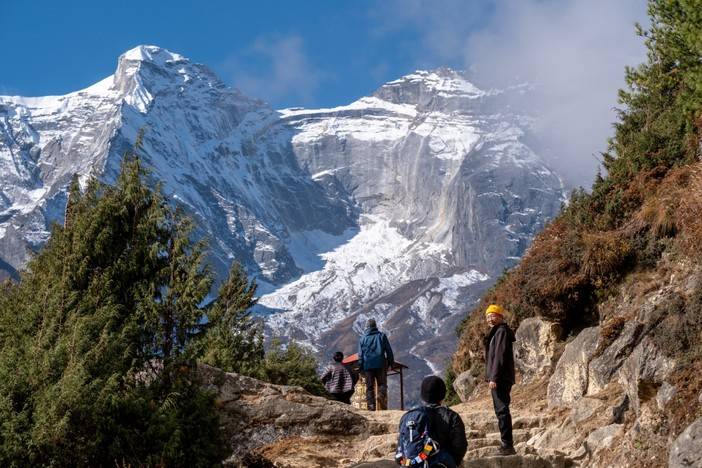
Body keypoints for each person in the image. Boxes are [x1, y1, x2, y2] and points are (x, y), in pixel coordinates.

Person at [395, 376, 467, 467]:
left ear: (422, 395)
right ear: (443, 394)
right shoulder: (451, 416)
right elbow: (460, 446)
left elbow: (400, 451)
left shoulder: (408, 417)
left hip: (411, 464)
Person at [484, 304, 516, 456]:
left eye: (493, 315)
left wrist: (494, 377)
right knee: (501, 410)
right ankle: (507, 443)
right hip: (501, 377)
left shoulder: (501, 331)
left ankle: (507, 445)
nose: (490, 318)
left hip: (500, 378)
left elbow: (500, 355)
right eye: (488, 316)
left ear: (500, 316)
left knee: (502, 410)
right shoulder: (497, 332)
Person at [358, 318, 394, 410]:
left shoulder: (362, 338)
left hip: (368, 365)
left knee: (369, 387)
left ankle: (371, 406)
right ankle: (380, 395)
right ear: (375, 326)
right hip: (380, 364)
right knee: (382, 384)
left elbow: (360, 355)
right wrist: (391, 363)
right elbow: (389, 351)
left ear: (366, 327)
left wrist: (361, 367)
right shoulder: (381, 336)